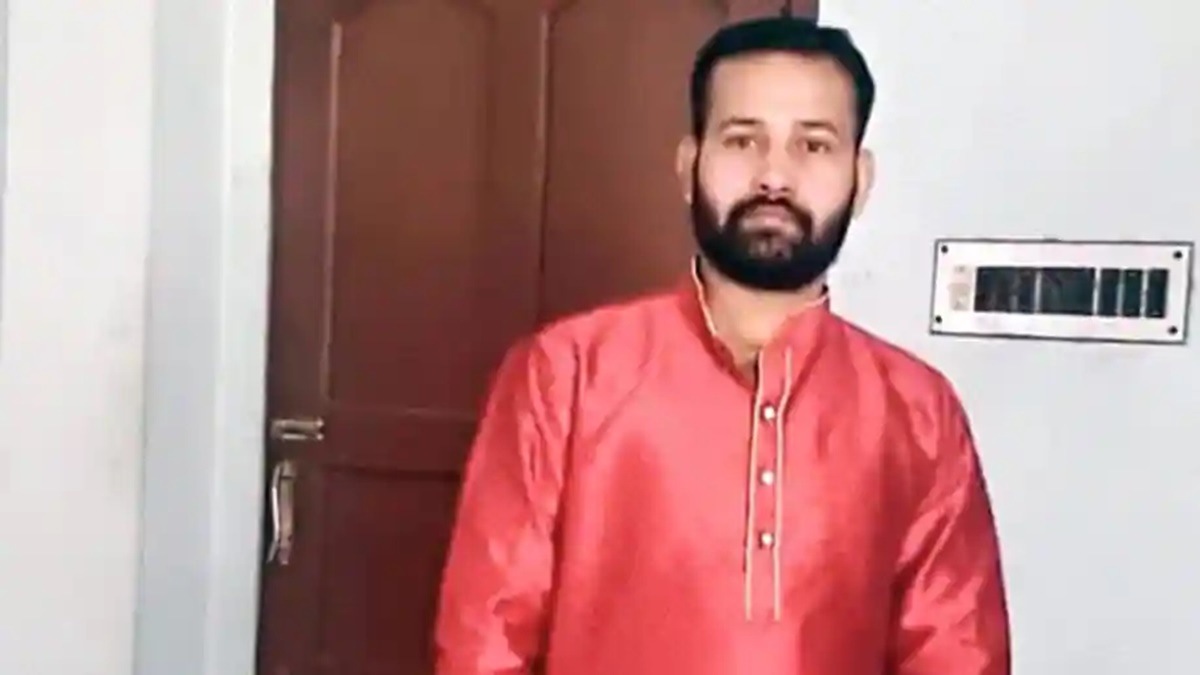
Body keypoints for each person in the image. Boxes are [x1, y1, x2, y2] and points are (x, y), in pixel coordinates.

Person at [434, 15, 1011, 675]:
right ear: (689, 166)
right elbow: (483, 644)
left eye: (813, 145)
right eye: (742, 140)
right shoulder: (566, 374)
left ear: (862, 179)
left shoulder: (919, 411)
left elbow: (958, 654)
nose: (775, 176)